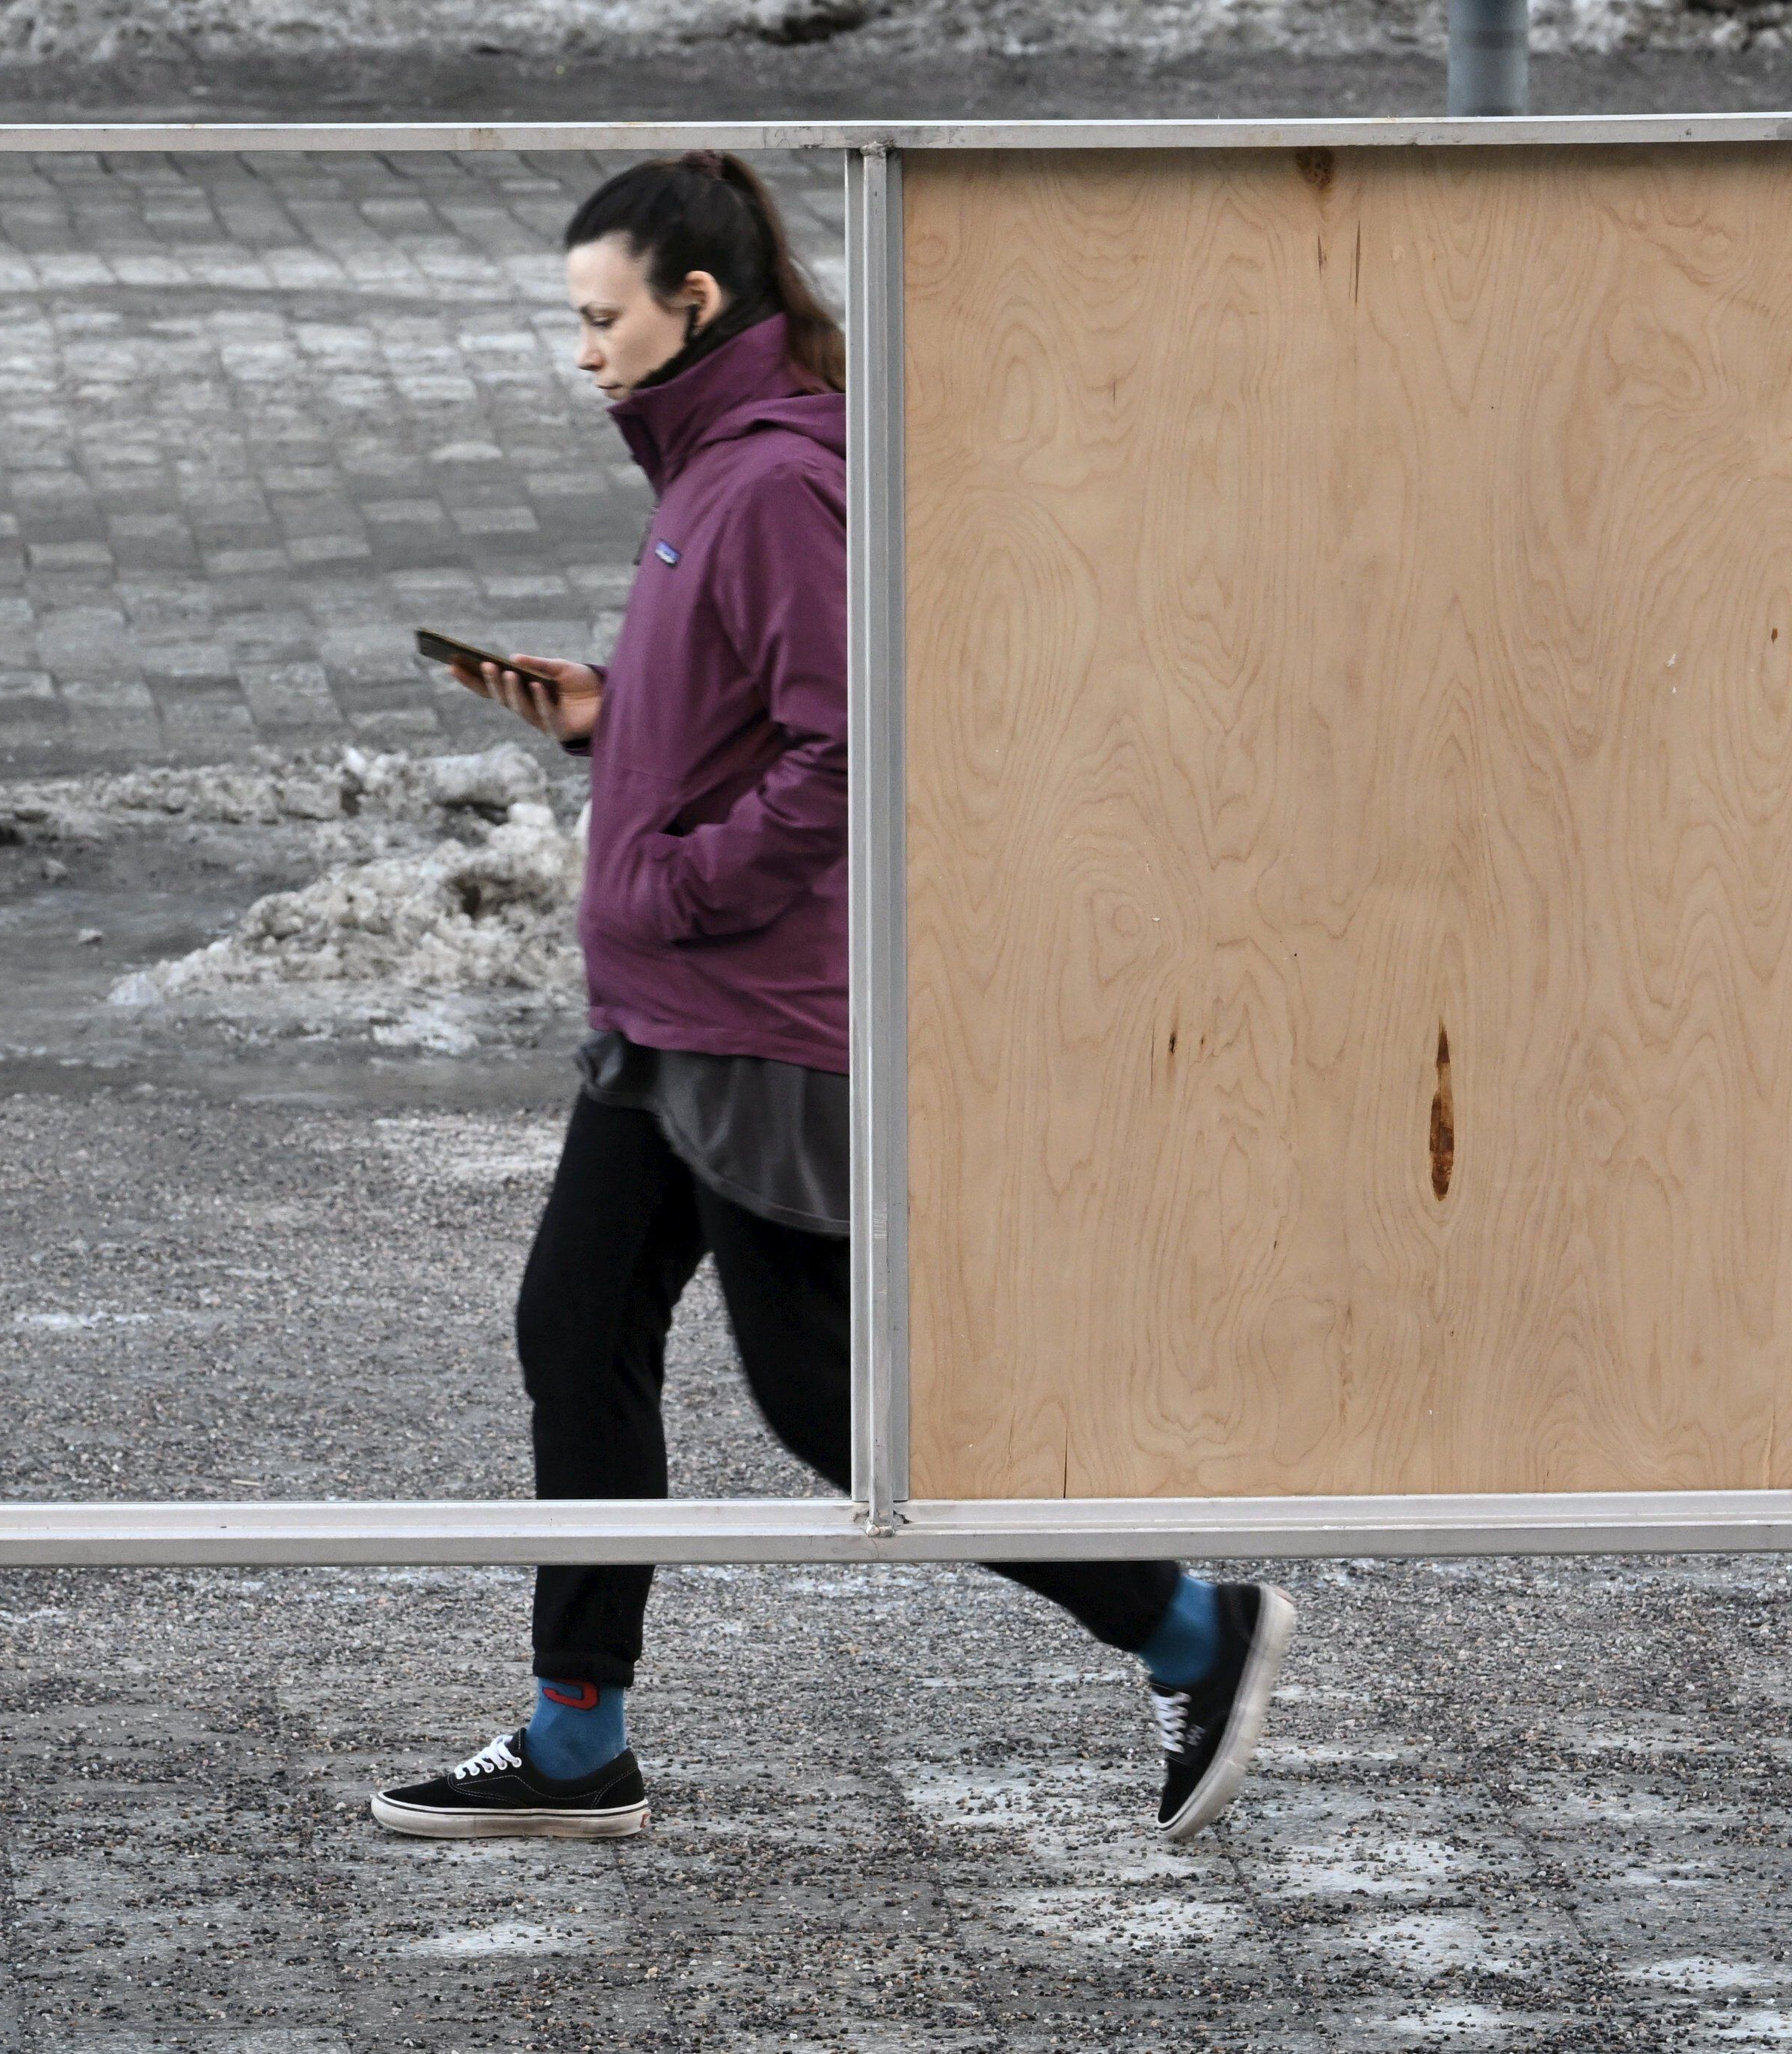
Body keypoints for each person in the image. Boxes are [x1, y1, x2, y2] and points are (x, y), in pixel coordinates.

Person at [372, 152, 1294, 1846]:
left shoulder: (779, 476)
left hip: (756, 1017)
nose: (579, 351)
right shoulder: (709, 468)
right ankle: (575, 1735)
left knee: (821, 1401)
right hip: (665, 1013)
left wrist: (678, 878)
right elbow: (742, 715)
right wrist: (611, 722)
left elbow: (842, 745)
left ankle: (1186, 1623)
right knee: (572, 1331)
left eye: (600, 317)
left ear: (695, 304)